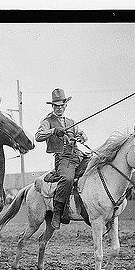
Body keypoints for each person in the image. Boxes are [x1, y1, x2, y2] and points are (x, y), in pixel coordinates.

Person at [35, 88, 89, 230]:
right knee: (67, 179)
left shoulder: (71, 121)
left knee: (96, 165)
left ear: (65, 106)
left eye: (61, 106)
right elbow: (38, 136)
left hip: (77, 154)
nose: (59, 108)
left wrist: (82, 137)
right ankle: (57, 213)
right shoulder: (48, 121)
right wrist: (53, 131)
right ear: (52, 106)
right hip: (63, 157)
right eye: (56, 106)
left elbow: (83, 135)